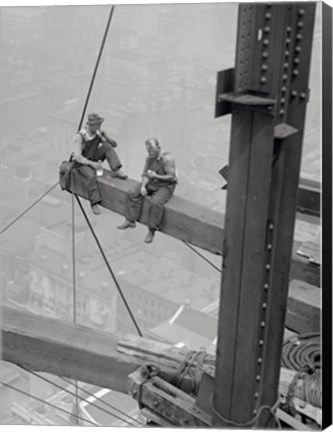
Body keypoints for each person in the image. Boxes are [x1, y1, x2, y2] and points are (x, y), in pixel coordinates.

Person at [118, 138, 177, 243]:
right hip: (152, 182)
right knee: (132, 193)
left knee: (155, 202)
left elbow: (171, 177)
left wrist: (156, 175)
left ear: (158, 148)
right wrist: (143, 186)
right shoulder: (149, 158)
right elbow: (145, 174)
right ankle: (130, 220)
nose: (150, 153)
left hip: (165, 185)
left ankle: (152, 230)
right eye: (149, 151)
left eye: (153, 150)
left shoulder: (167, 159)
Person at [71, 113, 127, 215]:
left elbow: (113, 145)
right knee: (90, 175)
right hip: (82, 163)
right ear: (91, 125)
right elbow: (77, 157)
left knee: (106, 147)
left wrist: (106, 136)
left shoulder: (97, 134)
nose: (99, 127)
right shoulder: (80, 136)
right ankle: (94, 202)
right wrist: (92, 164)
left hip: (93, 158)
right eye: (98, 125)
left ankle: (116, 170)